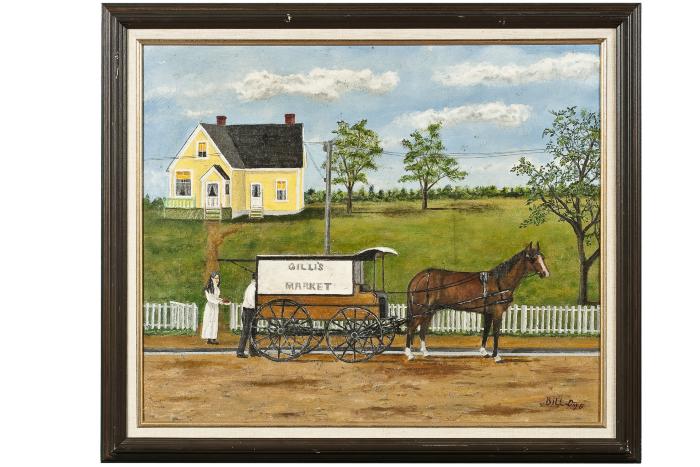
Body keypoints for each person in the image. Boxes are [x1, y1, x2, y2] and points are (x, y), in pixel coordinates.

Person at [201, 272, 228, 345]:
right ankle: (209, 338)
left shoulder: (217, 288)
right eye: (215, 278)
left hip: (215, 307)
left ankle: (213, 338)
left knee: (214, 322)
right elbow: (210, 299)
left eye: (218, 278)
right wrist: (219, 302)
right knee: (209, 321)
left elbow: (216, 298)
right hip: (210, 307)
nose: (217, 280)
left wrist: (222, 300)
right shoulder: (208, 288)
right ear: (212, 278)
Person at [237, 273, 258, 358]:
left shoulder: (254, 287)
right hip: (248, 311)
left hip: (252, 311)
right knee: (246, 331)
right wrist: (257, 308)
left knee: (253, 331)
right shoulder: (252, 288)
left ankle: (252, 351)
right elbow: (250, 300)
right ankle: (240, 352)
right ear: (254, 279)